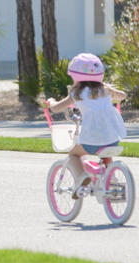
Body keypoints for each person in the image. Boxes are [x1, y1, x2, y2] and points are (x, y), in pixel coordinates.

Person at [45, 53, 126, 198]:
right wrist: (111, 91)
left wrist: (50, 102)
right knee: (106, 152)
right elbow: (123, 96)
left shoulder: (77, 93)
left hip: (92, 138)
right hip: (114, 137)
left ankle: (82, 177)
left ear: (76, 77)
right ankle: (111, 180)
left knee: (73, 154)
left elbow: (56, 108)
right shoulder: (104, 89)